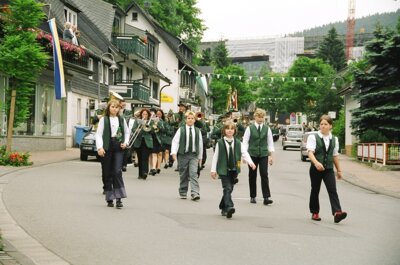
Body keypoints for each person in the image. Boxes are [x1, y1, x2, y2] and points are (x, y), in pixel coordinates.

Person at [306, 114, 347, 223]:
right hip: (316, 169)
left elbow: (335, 155)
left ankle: (337, 212)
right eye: (321, 124)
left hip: (328, 169)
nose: (323, 126)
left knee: (332, 189)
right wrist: (316, 163)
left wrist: (339, 170)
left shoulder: (334, 139)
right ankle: (315, 212)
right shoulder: (313, 137)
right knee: (315, 190)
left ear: (330, 126)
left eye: (325, 124)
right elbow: (310, 152)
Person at [211, 121, 255, 218]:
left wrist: (251, 162)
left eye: (232, 129)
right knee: (227, 188)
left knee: (229, 189)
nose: (229, 130)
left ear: (235, 131)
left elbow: (244, 153)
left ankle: (223, 206)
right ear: (224, 130)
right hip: (223, 169)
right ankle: (229, 207)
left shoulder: (238, 143)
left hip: (234, 169)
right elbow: (216, 157)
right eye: (227, 129)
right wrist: (213, 170)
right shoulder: (220, 143)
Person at [95, 99, 130, 209]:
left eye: (116, 107)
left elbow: (127, 132)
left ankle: (119, 198)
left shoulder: (121, 119)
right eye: (112, 107)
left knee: (117, 171)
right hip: (107, 146)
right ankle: (110, 197)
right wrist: (100, 147)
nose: (114, 109)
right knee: (107, 172)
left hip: (118, 146)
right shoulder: (104, 120)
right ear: (108, 108)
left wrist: (125, 142)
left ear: (119, 109)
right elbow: (99, 135)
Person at [242, 108, 275, 205]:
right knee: (252, 175)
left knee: (264, 174)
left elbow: (270, 143)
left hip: (264, 154)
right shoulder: (249, 128)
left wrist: (271, 156)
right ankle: (253, 196)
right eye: (259, 117)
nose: (260, 119)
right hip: (252, 154)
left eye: (262, 117)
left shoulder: (267, 128)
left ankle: (266, 197)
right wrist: (245, 156)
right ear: (255, 117)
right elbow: (245, 143)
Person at [171, 111, 203, 201]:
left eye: (192, 118)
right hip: (183, 154)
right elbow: (175, 141)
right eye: (188, 118)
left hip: (193, 155)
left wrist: (200, 157)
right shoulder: (181, 129)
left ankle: (195, 192)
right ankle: (183, 191)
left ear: (194, 120)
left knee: (193, 173)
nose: (190, 120)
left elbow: (200, 144)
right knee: (183, 173)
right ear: (186, 119)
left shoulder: (197, 131)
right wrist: (173, 153)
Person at [130, 108, 154, 180]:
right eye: (143, 114)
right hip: (139, 141)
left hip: (147, 142)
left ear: (148, 115)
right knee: (140, 158)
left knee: (145, 157)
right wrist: (136, 130)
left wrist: (149, 128)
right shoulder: (137, 121)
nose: (145, 115)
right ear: (141, 114)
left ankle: (145, 172)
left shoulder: (151, 122)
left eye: (146, 114)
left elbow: (152, 131)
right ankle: (140, 174)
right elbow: (133, 129)